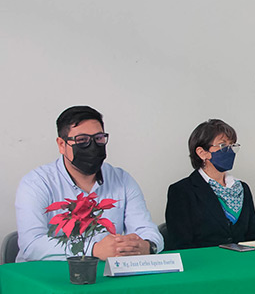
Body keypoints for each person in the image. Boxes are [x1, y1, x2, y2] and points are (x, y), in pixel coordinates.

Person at [15, 105, 163, 262]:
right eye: (82, 140)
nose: (92, 146)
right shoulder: (36, 183)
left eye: (98, 138)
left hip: (107, 273)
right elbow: (31, 245)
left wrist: (147, 245)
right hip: (46, 276)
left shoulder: (122, 179)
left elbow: (148, 230)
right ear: (61, 145)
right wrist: (93, 249)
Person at [165, 119, 255, 250]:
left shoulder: (242, 188)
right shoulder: (182, 191)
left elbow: (253, 238)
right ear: (202, 152)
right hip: (204, 266)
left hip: (242, 265)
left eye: (232, 145)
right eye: (223, 145)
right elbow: (181, 245)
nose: (230, 150)